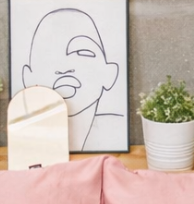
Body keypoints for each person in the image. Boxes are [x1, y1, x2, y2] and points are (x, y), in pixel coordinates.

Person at [22, 8, 123, 152]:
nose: (64, 68)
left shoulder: (117, 132)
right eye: (47, 54)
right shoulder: (24, 137)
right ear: (28, 77)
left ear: (110, 73)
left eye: (82, 52)